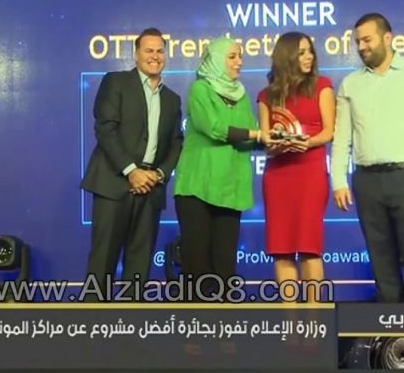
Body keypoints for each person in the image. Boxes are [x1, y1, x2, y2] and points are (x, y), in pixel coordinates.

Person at [331, 13, 404, 303]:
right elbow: (342, 138)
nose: (361, 47)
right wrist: (338, 180)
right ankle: (391, 326)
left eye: (367, 40)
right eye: (358, 42)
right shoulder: (350, 84)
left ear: (387, 38)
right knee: (380, 258)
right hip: (366, 181)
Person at [81, 27, 183, 301]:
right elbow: (105, 129)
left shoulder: (172, 99)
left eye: (160, 51)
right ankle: (91, 324)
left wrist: (159, 173)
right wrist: (131, 170)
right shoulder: (116, 82)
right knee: (102, 263)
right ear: (136, 54)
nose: (155, 56)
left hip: (151, 190)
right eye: (148, 50)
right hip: (114, 185)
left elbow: (176, 142)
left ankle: (130, 324)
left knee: (139, 266)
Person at [173, 36, 277, 302]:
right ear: (217, 60)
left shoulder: (241, 95)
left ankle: (224, 322)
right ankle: (196, 323)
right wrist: (257, 134)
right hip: (197, 188)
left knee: (225, 266)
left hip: (230, 189)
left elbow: (249, 137)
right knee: (197, 265)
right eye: (232, 57)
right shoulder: (200, 89)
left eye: (240, 56)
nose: (239, 62)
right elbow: (213, 128)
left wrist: (275, 140)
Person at [257, 32, 335, 303]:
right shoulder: (266, 96)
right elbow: (266, 140)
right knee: (282, 251)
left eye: (310, 51)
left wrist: (307, 142)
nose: (309, 57)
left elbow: (329, 131)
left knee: (310, 249)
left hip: (310, 173)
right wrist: (277, 145)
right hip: (278, 176)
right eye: (301, 52)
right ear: (287, 56)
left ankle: (314, 318)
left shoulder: (322, 86)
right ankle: (290, 319)